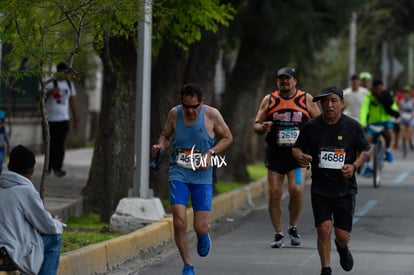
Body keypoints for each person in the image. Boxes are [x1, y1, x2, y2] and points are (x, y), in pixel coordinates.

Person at [151, 83, 233, 275]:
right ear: (181, 102)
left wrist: (210, 153)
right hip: (178, 171)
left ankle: (203, 235)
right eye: (186, 106)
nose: (190, 111)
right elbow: (165, 135)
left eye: (194, 107)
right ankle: (188, 265)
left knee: (200, 226)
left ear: (201, 103)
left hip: (202, 175)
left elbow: (228, 137)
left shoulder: (212, 115)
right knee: (179, 221)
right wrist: (160, 146)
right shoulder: (174, 114)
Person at [292, 87, 370, 275]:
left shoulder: (352, 126)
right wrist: (300, 156)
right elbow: (296, 148)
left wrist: (354, 165)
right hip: (320, 188)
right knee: (323, 229)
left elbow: (365, 150)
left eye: (334, 100)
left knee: (342, 235)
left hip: (345, 188)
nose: (329, 105)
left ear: (342, 104)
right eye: (325, 101)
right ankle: (325, 269)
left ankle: (342, 248)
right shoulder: (311, 127)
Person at [253, 67, 320, 248]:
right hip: (276, 155)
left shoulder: (305, 99)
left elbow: (319, 121)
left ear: (295, 81)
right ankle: (278, 232)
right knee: (274, 193)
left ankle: (292, 226)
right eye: (281, 79)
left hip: (298, 156)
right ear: (277, 82)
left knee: (296, 189)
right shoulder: (270, 99)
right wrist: (263, 127)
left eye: (288, 79)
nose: (284, 82)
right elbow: (256, 125)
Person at [0, 145, 64, 275]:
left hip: (4, 250)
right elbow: (47, 226)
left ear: (9, 166)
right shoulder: (26, 191)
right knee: (55, 238)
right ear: (33, 169)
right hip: (10, 253)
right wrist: (56, 222)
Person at [44, 62, 78, 177]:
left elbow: (72, 102)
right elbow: (38, 99)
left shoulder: (69, 85)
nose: (65, 75)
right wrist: (49, 93)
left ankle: (57, 168)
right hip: (49, 119)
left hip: (63, 119)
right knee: (49, 144)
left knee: (60, 144)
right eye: (63, 72)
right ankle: (47, 167)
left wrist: (75, 118)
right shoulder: (49, 83)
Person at [359, 79, 399, 176]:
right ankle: (368, 165)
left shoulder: (386, 95)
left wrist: (395, 111)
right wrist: (362, 122)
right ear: (373, 88)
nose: (379, 91)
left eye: (380, 89)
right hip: (373, 123)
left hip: (385, 122)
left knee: (388, 133)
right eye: (377, 89)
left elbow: (393, 106)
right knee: (367, 141)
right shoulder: (369, 97)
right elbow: (364, 110)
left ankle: (388, 150)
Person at [398, 85, 414, 157]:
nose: (406, 94)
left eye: (407, 92)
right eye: (405, 93)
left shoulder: (412, 101)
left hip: (410, 120)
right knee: (403, 137)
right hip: (403, 119)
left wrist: (412, 115)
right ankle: (404, 152)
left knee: (409, 137)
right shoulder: (401, 101)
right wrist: (400, 113)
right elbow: (399, 109)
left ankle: (411, 143)